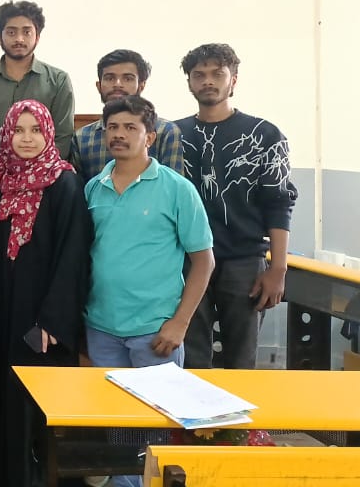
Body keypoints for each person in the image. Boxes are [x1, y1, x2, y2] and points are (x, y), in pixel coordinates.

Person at [84, 96, 214, 487]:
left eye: (130, 128)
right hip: (101, 329)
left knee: (157, 431)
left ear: (150, 137)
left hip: (156, 331)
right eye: (112, 127)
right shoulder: (93, 188)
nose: (119, 135)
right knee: (117, 429)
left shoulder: (177, 189)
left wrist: (180, 323)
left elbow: (203, 262)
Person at [0, 99, 91, 487]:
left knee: (38, 407)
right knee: (5, 397)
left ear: (49, 134)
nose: (26, 139)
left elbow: (73, 256)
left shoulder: (65, 184)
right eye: (18, 130)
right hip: (2, 310)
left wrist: (52, 320)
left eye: (36, 130)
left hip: (41, 319)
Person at [175, 44, 296, 370]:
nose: (208, 81)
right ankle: (194, 407)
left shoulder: (265, 135)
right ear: (189, 82)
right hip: (187, 260)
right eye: (199, 74)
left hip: (244, 259)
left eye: (217, 73)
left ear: (234, 80)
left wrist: (278, 269)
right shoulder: (173, 135)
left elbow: (279, 201)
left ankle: (237, 409)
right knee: (191, 356)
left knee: (241, 359)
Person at [0, 1, 75, 173]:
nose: (19, 39)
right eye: (11, 32)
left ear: (37, 37)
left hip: (45, 179)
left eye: (26, 32)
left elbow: (63, 138)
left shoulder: (58, 81)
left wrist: (35, 177)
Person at [70, 49, 185, 183]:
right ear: (99, 86)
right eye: (110, 78)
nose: (117, 84)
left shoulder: (165, 132)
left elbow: (174, 187)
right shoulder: (82, 137)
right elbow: (78, 191)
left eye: (128, 78)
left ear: (141, 85)